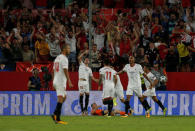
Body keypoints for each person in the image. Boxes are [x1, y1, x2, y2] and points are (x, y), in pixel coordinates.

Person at [51, 44, 73, 125]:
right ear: (64, 49)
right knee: (61, 99)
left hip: (57, 80)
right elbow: (65, 70)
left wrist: (53, 81)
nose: (69, 49)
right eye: (68, 48)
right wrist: (69, 81)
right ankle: (58, 118)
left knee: (64, 97)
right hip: (60, 81)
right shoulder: (64, 58)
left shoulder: (57, 58)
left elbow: (53, 70)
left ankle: (54, 114)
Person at [78, 50, 99, 116]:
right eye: (86, 59)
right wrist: (84, 53)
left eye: (88, 60)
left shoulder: (89, 69)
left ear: (89, 61)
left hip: (86, 83)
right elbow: (79, 58)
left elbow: (92, 77)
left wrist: (96, 80)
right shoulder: (81, 65)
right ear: (84, 61)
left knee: (87, 95)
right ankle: (82, 111)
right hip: (81, 81)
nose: (87, 60)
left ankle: (86, 110)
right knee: (81, 95)